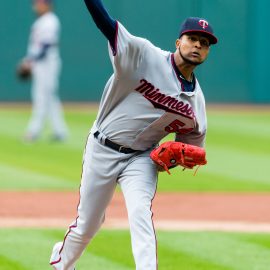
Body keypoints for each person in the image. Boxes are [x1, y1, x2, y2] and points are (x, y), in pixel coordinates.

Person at [49, 0, 218, 269]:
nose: (198, 45)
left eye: (205, 43)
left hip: (141, 158)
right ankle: (61, 264)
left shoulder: (195, 105)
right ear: (178, 42)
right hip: (102, 147)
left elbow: (188, 150)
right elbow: (106, 24)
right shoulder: (143, 55)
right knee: (88, 225)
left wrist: (171, 159)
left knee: (141, 213)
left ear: (208, 52)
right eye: (192, 39)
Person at [19, 0, 68, 142]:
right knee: (50, 98)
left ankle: (33, 131)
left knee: (41, 97)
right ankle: (60, 131)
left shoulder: (50, 21)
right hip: (41, 64)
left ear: (47, 5)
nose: (35, 6)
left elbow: (46, 46)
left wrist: (29, 61)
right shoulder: (41, 21)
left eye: (39, 3)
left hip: (47, 65)